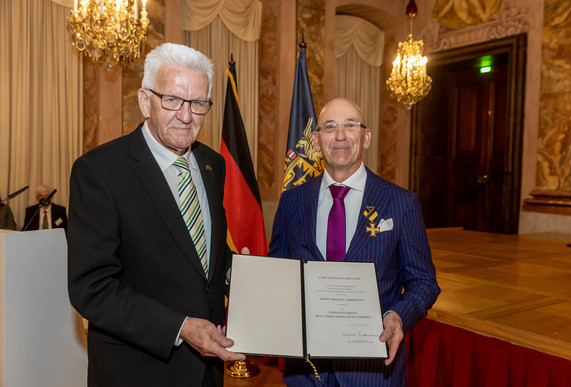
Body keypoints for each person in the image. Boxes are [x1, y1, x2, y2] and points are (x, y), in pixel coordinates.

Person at [67, 43, 245, 387]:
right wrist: (180, 328)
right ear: (145, 101)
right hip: (138, 369)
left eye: (197, 103)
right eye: (173, 100)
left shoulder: (213, 164)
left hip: (207, 369)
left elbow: (203, 256)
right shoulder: (100, 170)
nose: (186, 115)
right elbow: (92, 287)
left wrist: (237, 272)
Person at [268, 97, 440, 386]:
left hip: (372, 369)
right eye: (330, 126)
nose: (340, 135)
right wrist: (252, 277)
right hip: (306, 371)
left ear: (366, 137)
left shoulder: (402, 203)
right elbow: (279, 274)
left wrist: (398, 315)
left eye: (350, 125)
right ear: (316, 139)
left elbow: (424, 282)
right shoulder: (291, 202)